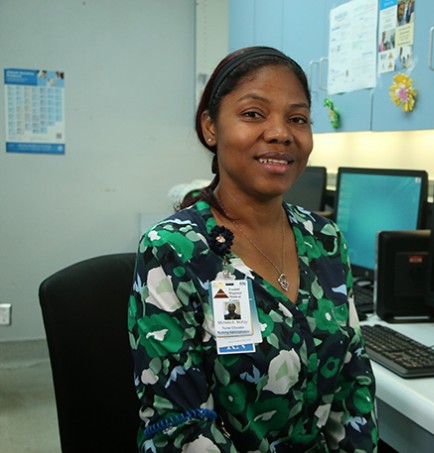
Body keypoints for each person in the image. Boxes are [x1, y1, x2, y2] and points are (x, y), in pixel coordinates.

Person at [128, 46, 378, 452]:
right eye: (253, 114)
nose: (281, 133)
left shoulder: (326, 239)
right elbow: (180, 425)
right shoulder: (175, 251)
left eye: (297, 119)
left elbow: (353, 386)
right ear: (211, 127)